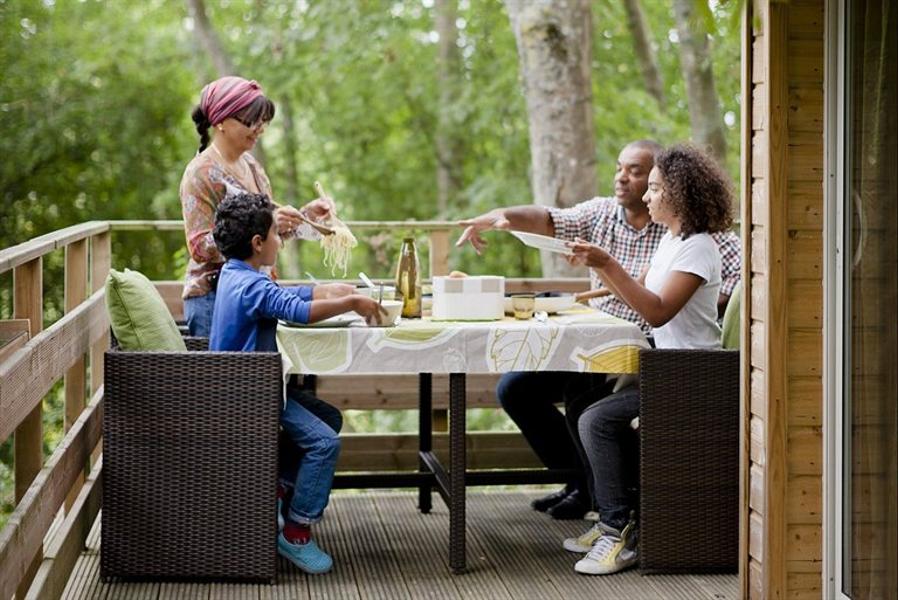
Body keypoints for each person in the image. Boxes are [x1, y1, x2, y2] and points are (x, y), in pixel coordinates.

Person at [455, 140, 741, 520]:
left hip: (650, 354)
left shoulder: (695, 240)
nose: (622, 178)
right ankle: (585, 485)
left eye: (639, 174)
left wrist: (702, 298)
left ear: (677, 189)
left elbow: (681, 299)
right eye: (620, 167)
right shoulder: (624, 222)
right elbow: (548, 218)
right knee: (516, 388)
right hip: (602, 341)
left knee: (585, 394)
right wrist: (497, 216)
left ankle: (606, 506)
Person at [566, 144, 733, 575]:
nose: (646, 197)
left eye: (655, 189)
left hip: (692, 374)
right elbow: (636, 284)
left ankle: (616, 531)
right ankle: (622, 515)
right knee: (586, 407)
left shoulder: (698, 248)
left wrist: (605, 262)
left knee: (595, 421)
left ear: (679, 195)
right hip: (666, 367)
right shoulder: (672, 242)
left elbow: (657, 309)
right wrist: (596, 266)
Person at [208, 192, 385, 574]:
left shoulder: (236, 273)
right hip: (250, 397)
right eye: (277, 234)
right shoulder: (250, 285)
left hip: (251, 389)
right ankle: (296, 531)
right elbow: (293, 310)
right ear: (258, 243)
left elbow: (282, 296)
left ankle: (276, 488)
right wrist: (352, 302)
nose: (280, 240)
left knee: (328, 417)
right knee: (325, 442)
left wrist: (328, 291)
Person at [180, 75, 333, 337]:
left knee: (259, 376)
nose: (259, 128)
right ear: (220, 121)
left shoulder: (253, 168)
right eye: (251, 120)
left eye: (263, 121)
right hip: (215, 299)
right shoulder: (201, 173)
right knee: (220, 378)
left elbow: (264, 236)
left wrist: (307, 218)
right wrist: (270, 220)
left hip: (258, 293)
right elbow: (199, 248)